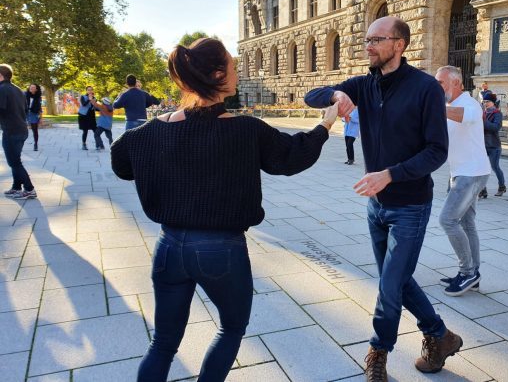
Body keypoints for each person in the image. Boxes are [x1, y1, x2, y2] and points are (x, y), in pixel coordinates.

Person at [111, 38, 338, 382]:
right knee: (231, 328)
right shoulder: (244, 129)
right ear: (218, 75)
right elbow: (292, 156)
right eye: (233, 66)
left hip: (169, 246)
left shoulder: (151, 132)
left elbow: (121, 161)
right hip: (221, 249)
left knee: (163, 342)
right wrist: (326, 123)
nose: (237, 71)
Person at [305, 16, 462, 380]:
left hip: (410, 205)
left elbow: (437, 151)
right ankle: (441, 336)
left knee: (390, 285)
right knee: (398, 281)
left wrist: (390, 174)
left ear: (399, 45)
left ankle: (378, 353)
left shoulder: (425, 89)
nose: (368, 46)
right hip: (376, 207)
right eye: (366, 39)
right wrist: (336, 94)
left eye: (376, 39)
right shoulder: (363, 84)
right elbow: (310, 96)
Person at [435, 65, 490, 297]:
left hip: (472, 173)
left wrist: (437, 107)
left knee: (447, 220)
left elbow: (465, 118)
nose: (437, 88)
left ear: (456, 83)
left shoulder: (470, 104)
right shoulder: (448, 105)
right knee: (467, 224)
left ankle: (467, 272)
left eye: (441, 83)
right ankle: (473, 274)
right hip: (459, 172)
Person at [0, 64, 37, 199]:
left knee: (14, 162)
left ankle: (29, 189)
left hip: (11, 130)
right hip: (21, 129)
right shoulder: (17, 89)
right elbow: (25, 110)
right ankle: (16, 187)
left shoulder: (2, 89)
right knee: (15, 159)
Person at [478, 93, 506, 198]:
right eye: (484, 102)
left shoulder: (497, 113)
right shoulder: (482, 113)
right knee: (481, 168)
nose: (485, 104)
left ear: (493, 102)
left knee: (495, 167)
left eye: (487, 102)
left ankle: (502, 186)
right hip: (482, 145)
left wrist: (484, 121)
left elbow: (496, 127)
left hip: (494, 145)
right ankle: (483, 190)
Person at [25, 83, 42, 151]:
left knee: (35, 130)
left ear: (36, 89)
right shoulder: (25, 95)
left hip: (33, 114)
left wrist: (41, 118)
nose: (31, 88)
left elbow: (40, 108)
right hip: (25, 113)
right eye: (30, 87)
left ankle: (35, 144)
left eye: (33, 87)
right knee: (22, 129)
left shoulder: (38, 97)